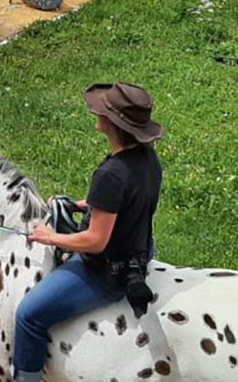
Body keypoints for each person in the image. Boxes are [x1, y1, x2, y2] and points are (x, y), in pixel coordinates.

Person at [12, 83, 164, 382]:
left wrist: (49, 237)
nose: (95, 112)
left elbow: (95, 241)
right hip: (141, 248)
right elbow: (119, 202)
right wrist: (79, 205)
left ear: (113, 124)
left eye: (102, 110)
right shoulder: (147, 159)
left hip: (107, 272)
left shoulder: (110, 174)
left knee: (27, 316)